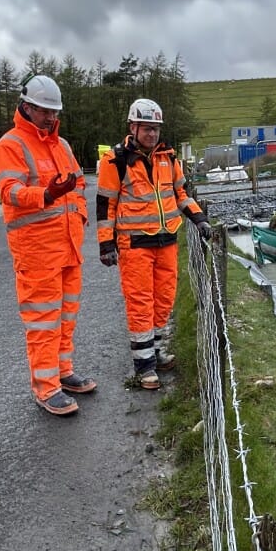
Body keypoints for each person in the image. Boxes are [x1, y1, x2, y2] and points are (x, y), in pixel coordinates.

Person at [0, 74, 96, 416]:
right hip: (37, 252)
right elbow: (11, 192)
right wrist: (48, 195)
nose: (50, 117)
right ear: (27, 107)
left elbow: (78, 182)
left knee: (65, 318)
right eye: (44, 111)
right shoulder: (10, 146)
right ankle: (46, 387)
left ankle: (63, 373)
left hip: (68, 247)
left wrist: (78, 213)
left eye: (54, 111)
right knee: (42, 323)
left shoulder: (61, 146)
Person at [96, 98, 210, 388]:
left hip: (167, 241)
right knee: (140, 303)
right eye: (147, 129)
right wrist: (105, 244)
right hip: (134, 245)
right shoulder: (116, 160)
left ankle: (156, 352)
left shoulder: (168, 158)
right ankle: (144, 365)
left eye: (156, 129)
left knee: (164, 300)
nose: (152, 134)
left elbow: (180, 193)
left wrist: (199, 220)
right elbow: (106, 206)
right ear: (132, 127)